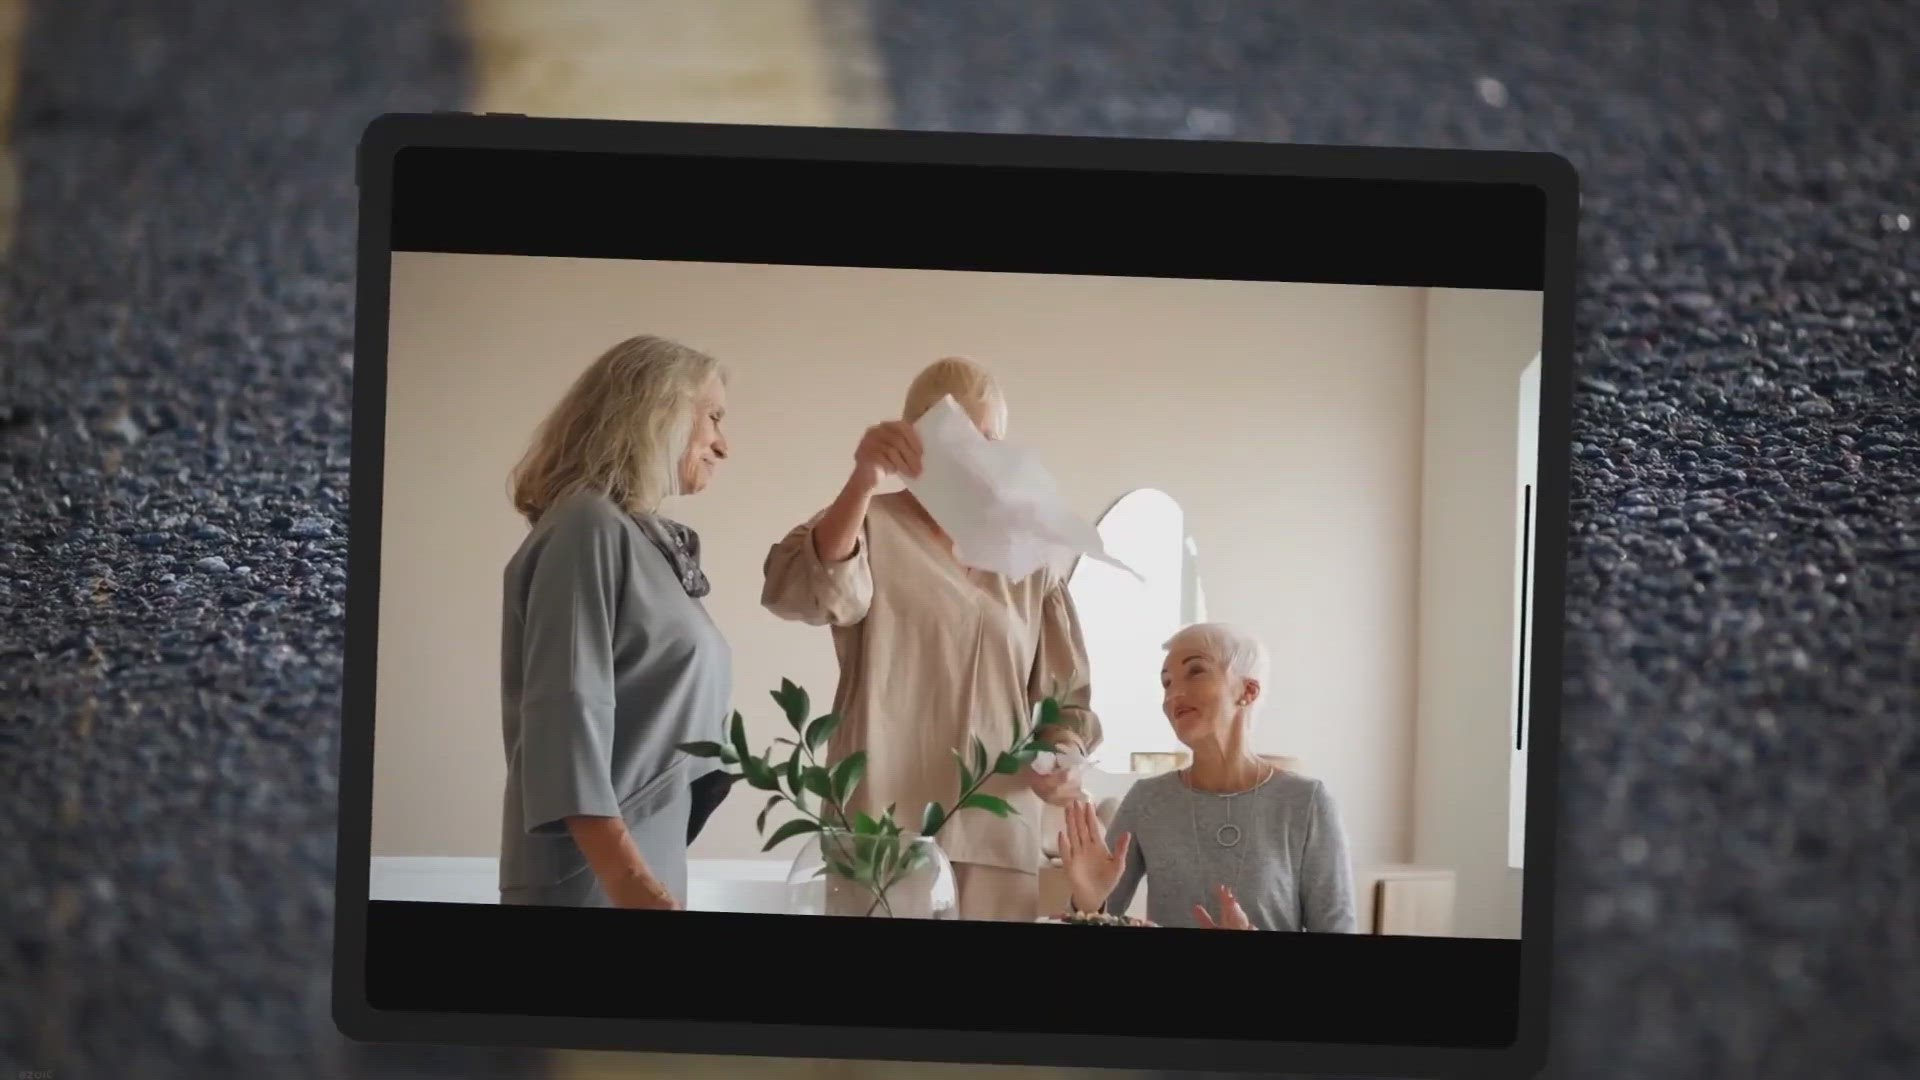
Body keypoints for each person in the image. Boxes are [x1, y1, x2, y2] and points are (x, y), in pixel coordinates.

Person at [760, 356, 1100, 923]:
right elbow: (807, 594)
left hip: (997, 829)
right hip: (881, 827)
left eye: (992, 442)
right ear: (917, 436)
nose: (982, 458)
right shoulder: (869, 524)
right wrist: (863, 479)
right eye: (965, 438)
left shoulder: (1030, 557)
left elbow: (1064, 701)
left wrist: (1064, 761)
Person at [497, 334, 735, 910]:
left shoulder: (630, 535)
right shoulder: (587, 525)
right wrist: (628, 879)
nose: (723, 445)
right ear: (657, 410)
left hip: (639, 859)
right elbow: (566, 709)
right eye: (713, 416)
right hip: (599, 876)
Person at [1056, 622, 1358, 932]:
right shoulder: (1147, 800)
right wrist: (1087, 903)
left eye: (1196, 671)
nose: (1173, 695)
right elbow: (1094, 912)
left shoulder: (1306, 802)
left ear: (1248, 691)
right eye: (1166, 683)